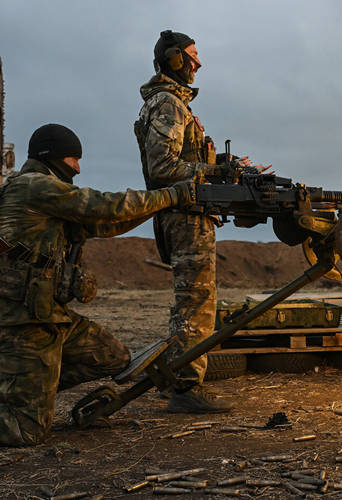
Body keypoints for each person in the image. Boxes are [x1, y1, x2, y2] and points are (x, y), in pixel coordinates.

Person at [0, 123, 196, 447]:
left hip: (49, 316)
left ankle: (20, 390)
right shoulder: (35, 188)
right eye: (73, 159)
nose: (78, 169)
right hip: (22, 323)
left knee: (114, 358)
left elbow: (105, 221)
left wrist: (167, 205)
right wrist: (171, 194)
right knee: (26, 430)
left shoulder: (32, 196)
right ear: (54, 158)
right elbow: (105, 206)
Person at [134, 30, 268, 413]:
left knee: (189, 301)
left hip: (184, 212)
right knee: (197, 302)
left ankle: (177, 376)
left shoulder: (169, 103)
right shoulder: (169, 104)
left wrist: (222, 167)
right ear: (175, 59)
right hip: (186, 214)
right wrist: (215, 170)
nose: (198, 64)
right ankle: (186, 387)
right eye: (193, 56)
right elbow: (163, 167)